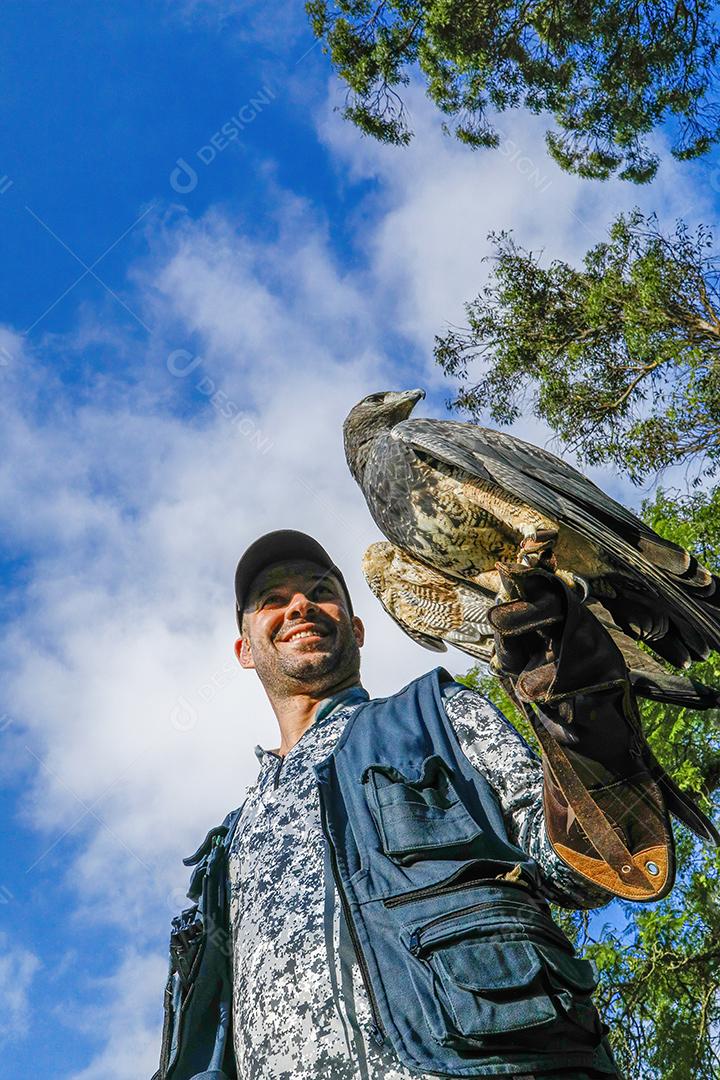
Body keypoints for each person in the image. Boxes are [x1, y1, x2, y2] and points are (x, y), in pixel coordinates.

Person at [154, 529, 671, 1080]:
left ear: (356, 629)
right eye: (272, 601)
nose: (299, 605)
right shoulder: (232, 843)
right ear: (244, 651)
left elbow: (581, 869)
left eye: (320, 591)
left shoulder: (436, 715)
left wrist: (582, 721)